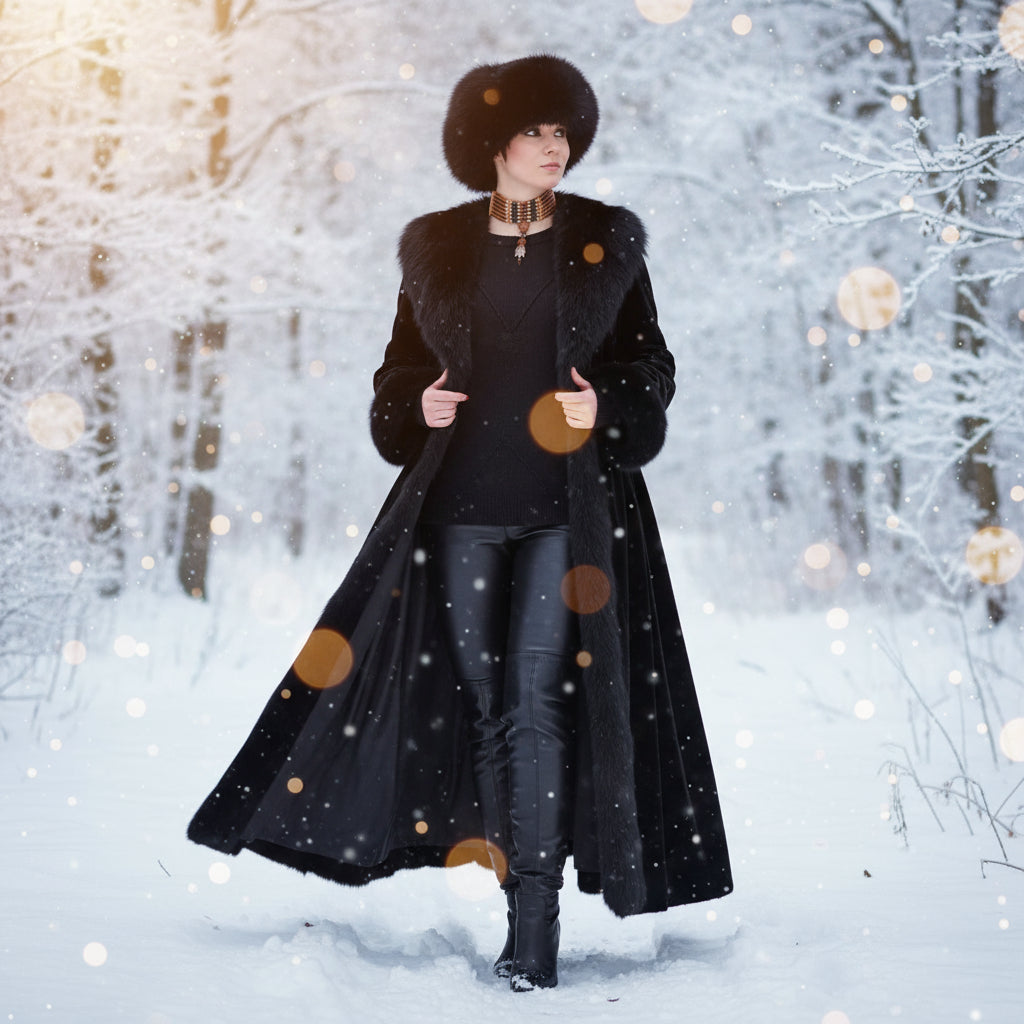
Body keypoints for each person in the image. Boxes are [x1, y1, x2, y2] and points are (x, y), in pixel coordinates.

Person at [188, 54, 732, 992]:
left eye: (564, 132)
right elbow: (396, 372)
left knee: (535, 704)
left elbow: (653, 367)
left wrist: (609, 406)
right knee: (488, 707)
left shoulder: (607, 243)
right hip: (460, 513)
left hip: (572, 516)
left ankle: (536, 928)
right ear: (494, 145)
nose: (553, 148)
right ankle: (522, 898)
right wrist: (412, 408)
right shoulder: (437, 249)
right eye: (536, 132)